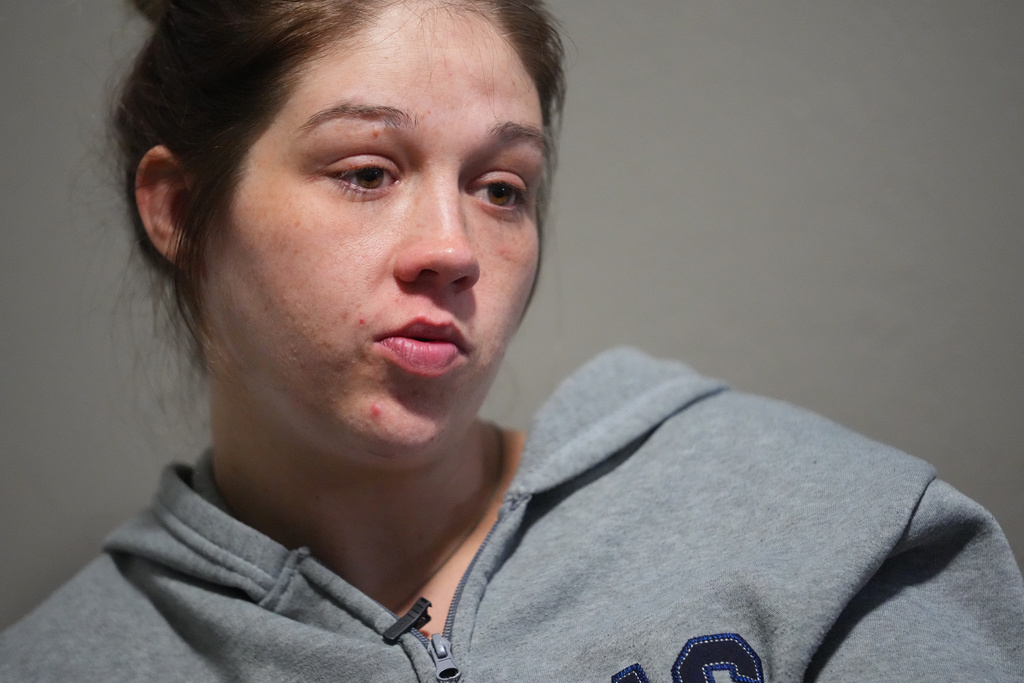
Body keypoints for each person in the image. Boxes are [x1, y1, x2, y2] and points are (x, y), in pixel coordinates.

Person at [1, 0, 1022, 680]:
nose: (453, 249)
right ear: (180, 208)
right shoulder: (68, 661)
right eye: (365, 171)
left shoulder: (826, 529)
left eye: (502, 189)